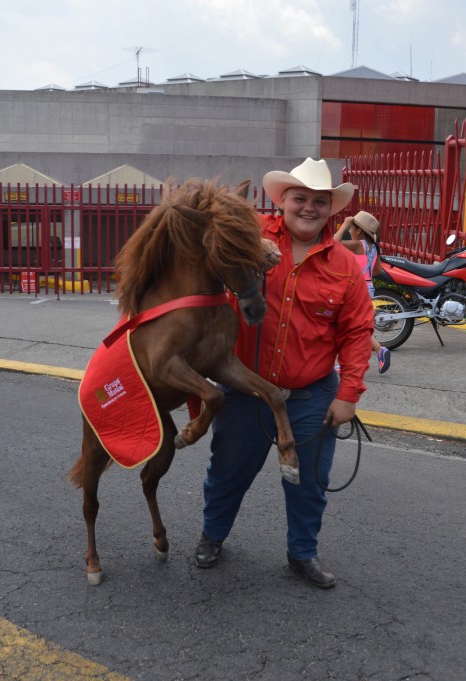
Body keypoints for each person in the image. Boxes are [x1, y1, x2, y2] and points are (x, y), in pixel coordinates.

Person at [195, 158, 375, 588]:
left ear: (330, 209)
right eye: (300, 198)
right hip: (246, 390)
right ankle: (212, 536)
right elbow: (202, 230)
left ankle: (302, 553)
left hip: (311, 396)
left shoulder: (344, 266)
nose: (309, 208)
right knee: (228, 472)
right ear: (283, 201)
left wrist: (348, 395)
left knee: (309, 483)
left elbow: (357, 333)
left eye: (319, 201)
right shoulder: (249, 236)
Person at [335, 210, 392, 374]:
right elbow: (377, 270)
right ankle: (378, 351)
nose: (349, 231)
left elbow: (333, 243)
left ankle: (375, 352)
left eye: (351, 229)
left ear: (359, 231)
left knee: (347, 327)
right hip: (368, 288)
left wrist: (344, 223)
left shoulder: (358, 245)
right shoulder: (373, 248)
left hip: (356, 289)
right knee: (355, 327)